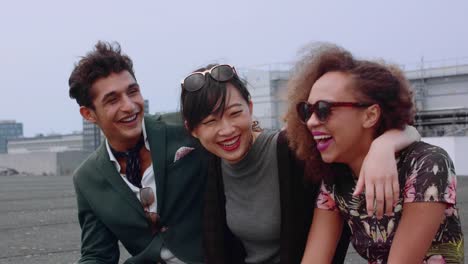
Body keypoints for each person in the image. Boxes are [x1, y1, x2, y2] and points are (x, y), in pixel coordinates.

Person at [179, 64, 419, 264]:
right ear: (193, 130)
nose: (227, 130)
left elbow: (404, 131)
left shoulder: (292, 147)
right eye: (211, 121)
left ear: (250, 108)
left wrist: (384, 146)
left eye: (234, 113)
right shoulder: (209, 166)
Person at [285, 44, 464, 263]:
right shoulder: (336, 181)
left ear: (370, 115)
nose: (311, 121)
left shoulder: (426, 165)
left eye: (323, 109)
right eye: (307, 110)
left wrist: (384, 146)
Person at [69, 41, 207, 264]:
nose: (130, 106)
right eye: (112, 100)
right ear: (88, 114)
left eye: (133, 92)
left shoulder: (185, 131)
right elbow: (97, 254)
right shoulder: (87, 179)